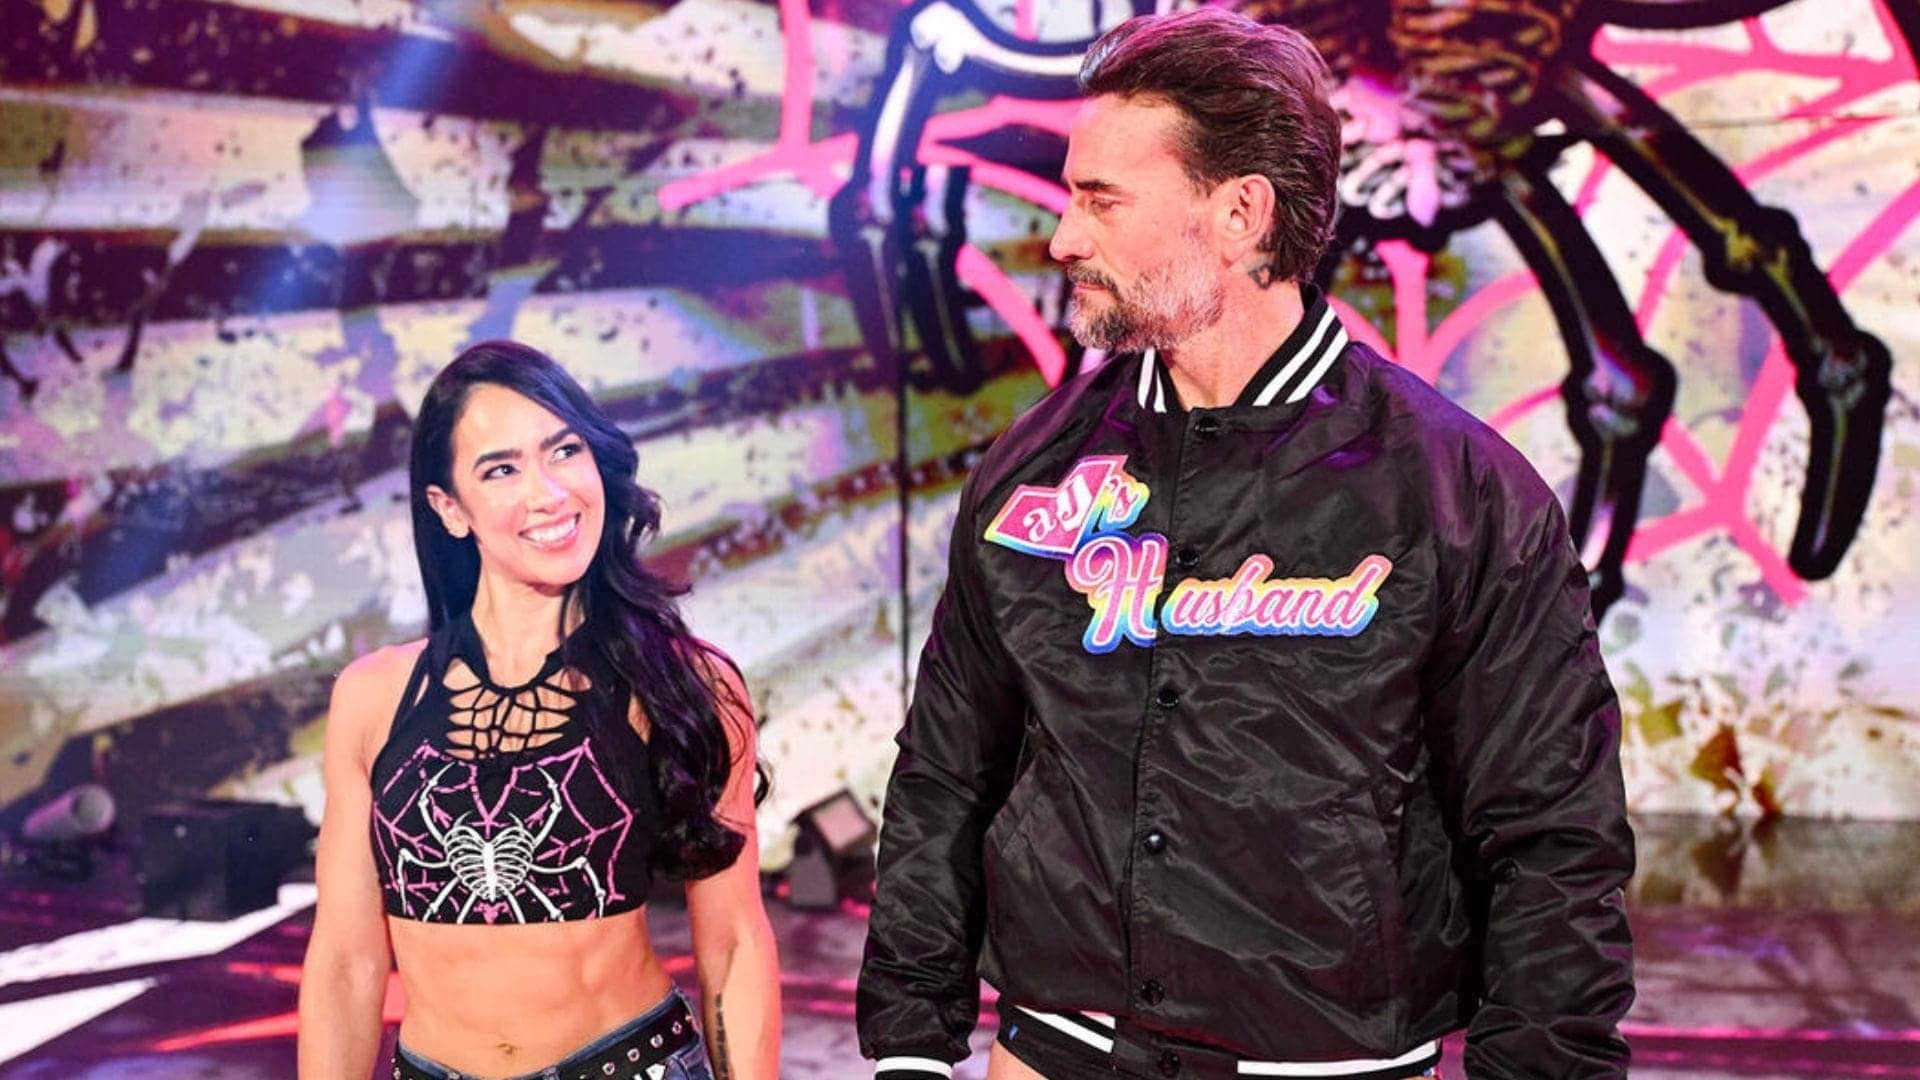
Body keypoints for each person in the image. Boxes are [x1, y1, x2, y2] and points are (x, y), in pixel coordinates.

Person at [856, 9, 1635, 1080]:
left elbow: (1553, 839)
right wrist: (908, 1045)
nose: (1064, 238)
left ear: (1239, 214)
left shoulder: (1459, 495)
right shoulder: (1032, 470)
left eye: (1101, 200)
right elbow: (947, 774)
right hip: (1054, 1050)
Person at [298, 341, 780, 1080]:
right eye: (502, 470)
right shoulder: (374, 696)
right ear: (450, 509)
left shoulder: (688, 685)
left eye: (564, 451)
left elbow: (734, 945)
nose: (549, 493)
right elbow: (344, 961)